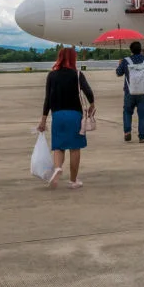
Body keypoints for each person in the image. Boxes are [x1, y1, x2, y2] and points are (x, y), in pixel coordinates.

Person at [37, 47, 95, 188]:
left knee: (59, 147)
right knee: (75, 148)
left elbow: (47, 99)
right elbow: (89, 93)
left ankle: (57, 168)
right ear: (73, 58)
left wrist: (43, 120)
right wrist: (92, 105)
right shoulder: (77, 74)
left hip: (57, 115)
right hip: (74, 115)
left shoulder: (52, 75)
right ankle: (73, 181)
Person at [116, 41, 144, 143]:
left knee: (127, 111)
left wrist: (120, 64)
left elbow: (118, 73)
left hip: (129, 92)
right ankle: (142, 137)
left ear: (131, 50)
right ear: (141, 50)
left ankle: (127, 132)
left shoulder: (126, 61)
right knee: (143, 115)